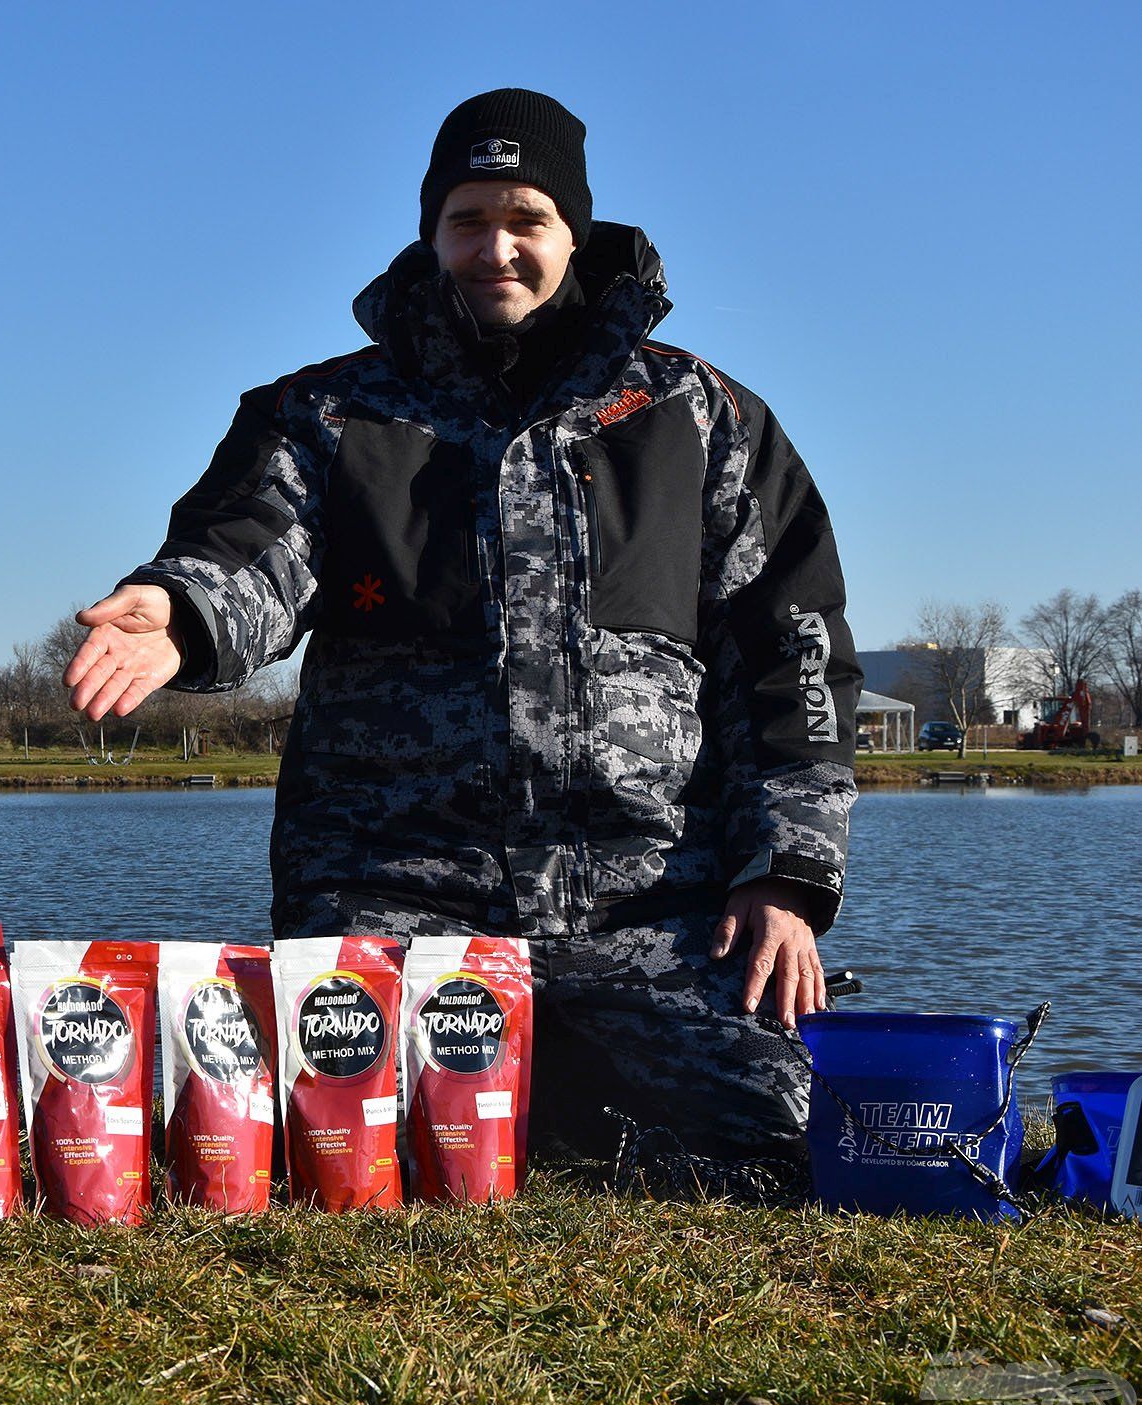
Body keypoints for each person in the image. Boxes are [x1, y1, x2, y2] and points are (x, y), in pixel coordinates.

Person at [63, 89, 861, 1165]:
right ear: (432, 232)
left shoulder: (704, 419)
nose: (497, 248)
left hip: (651, 919)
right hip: (392, 910)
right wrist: (178, 609)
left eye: (524, 218)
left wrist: (785, 878)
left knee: (782, 1146)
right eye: (468, 219)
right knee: (328, 1161)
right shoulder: (323, 414)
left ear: (572, 230)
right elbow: (248, 550)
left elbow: (791, 655)